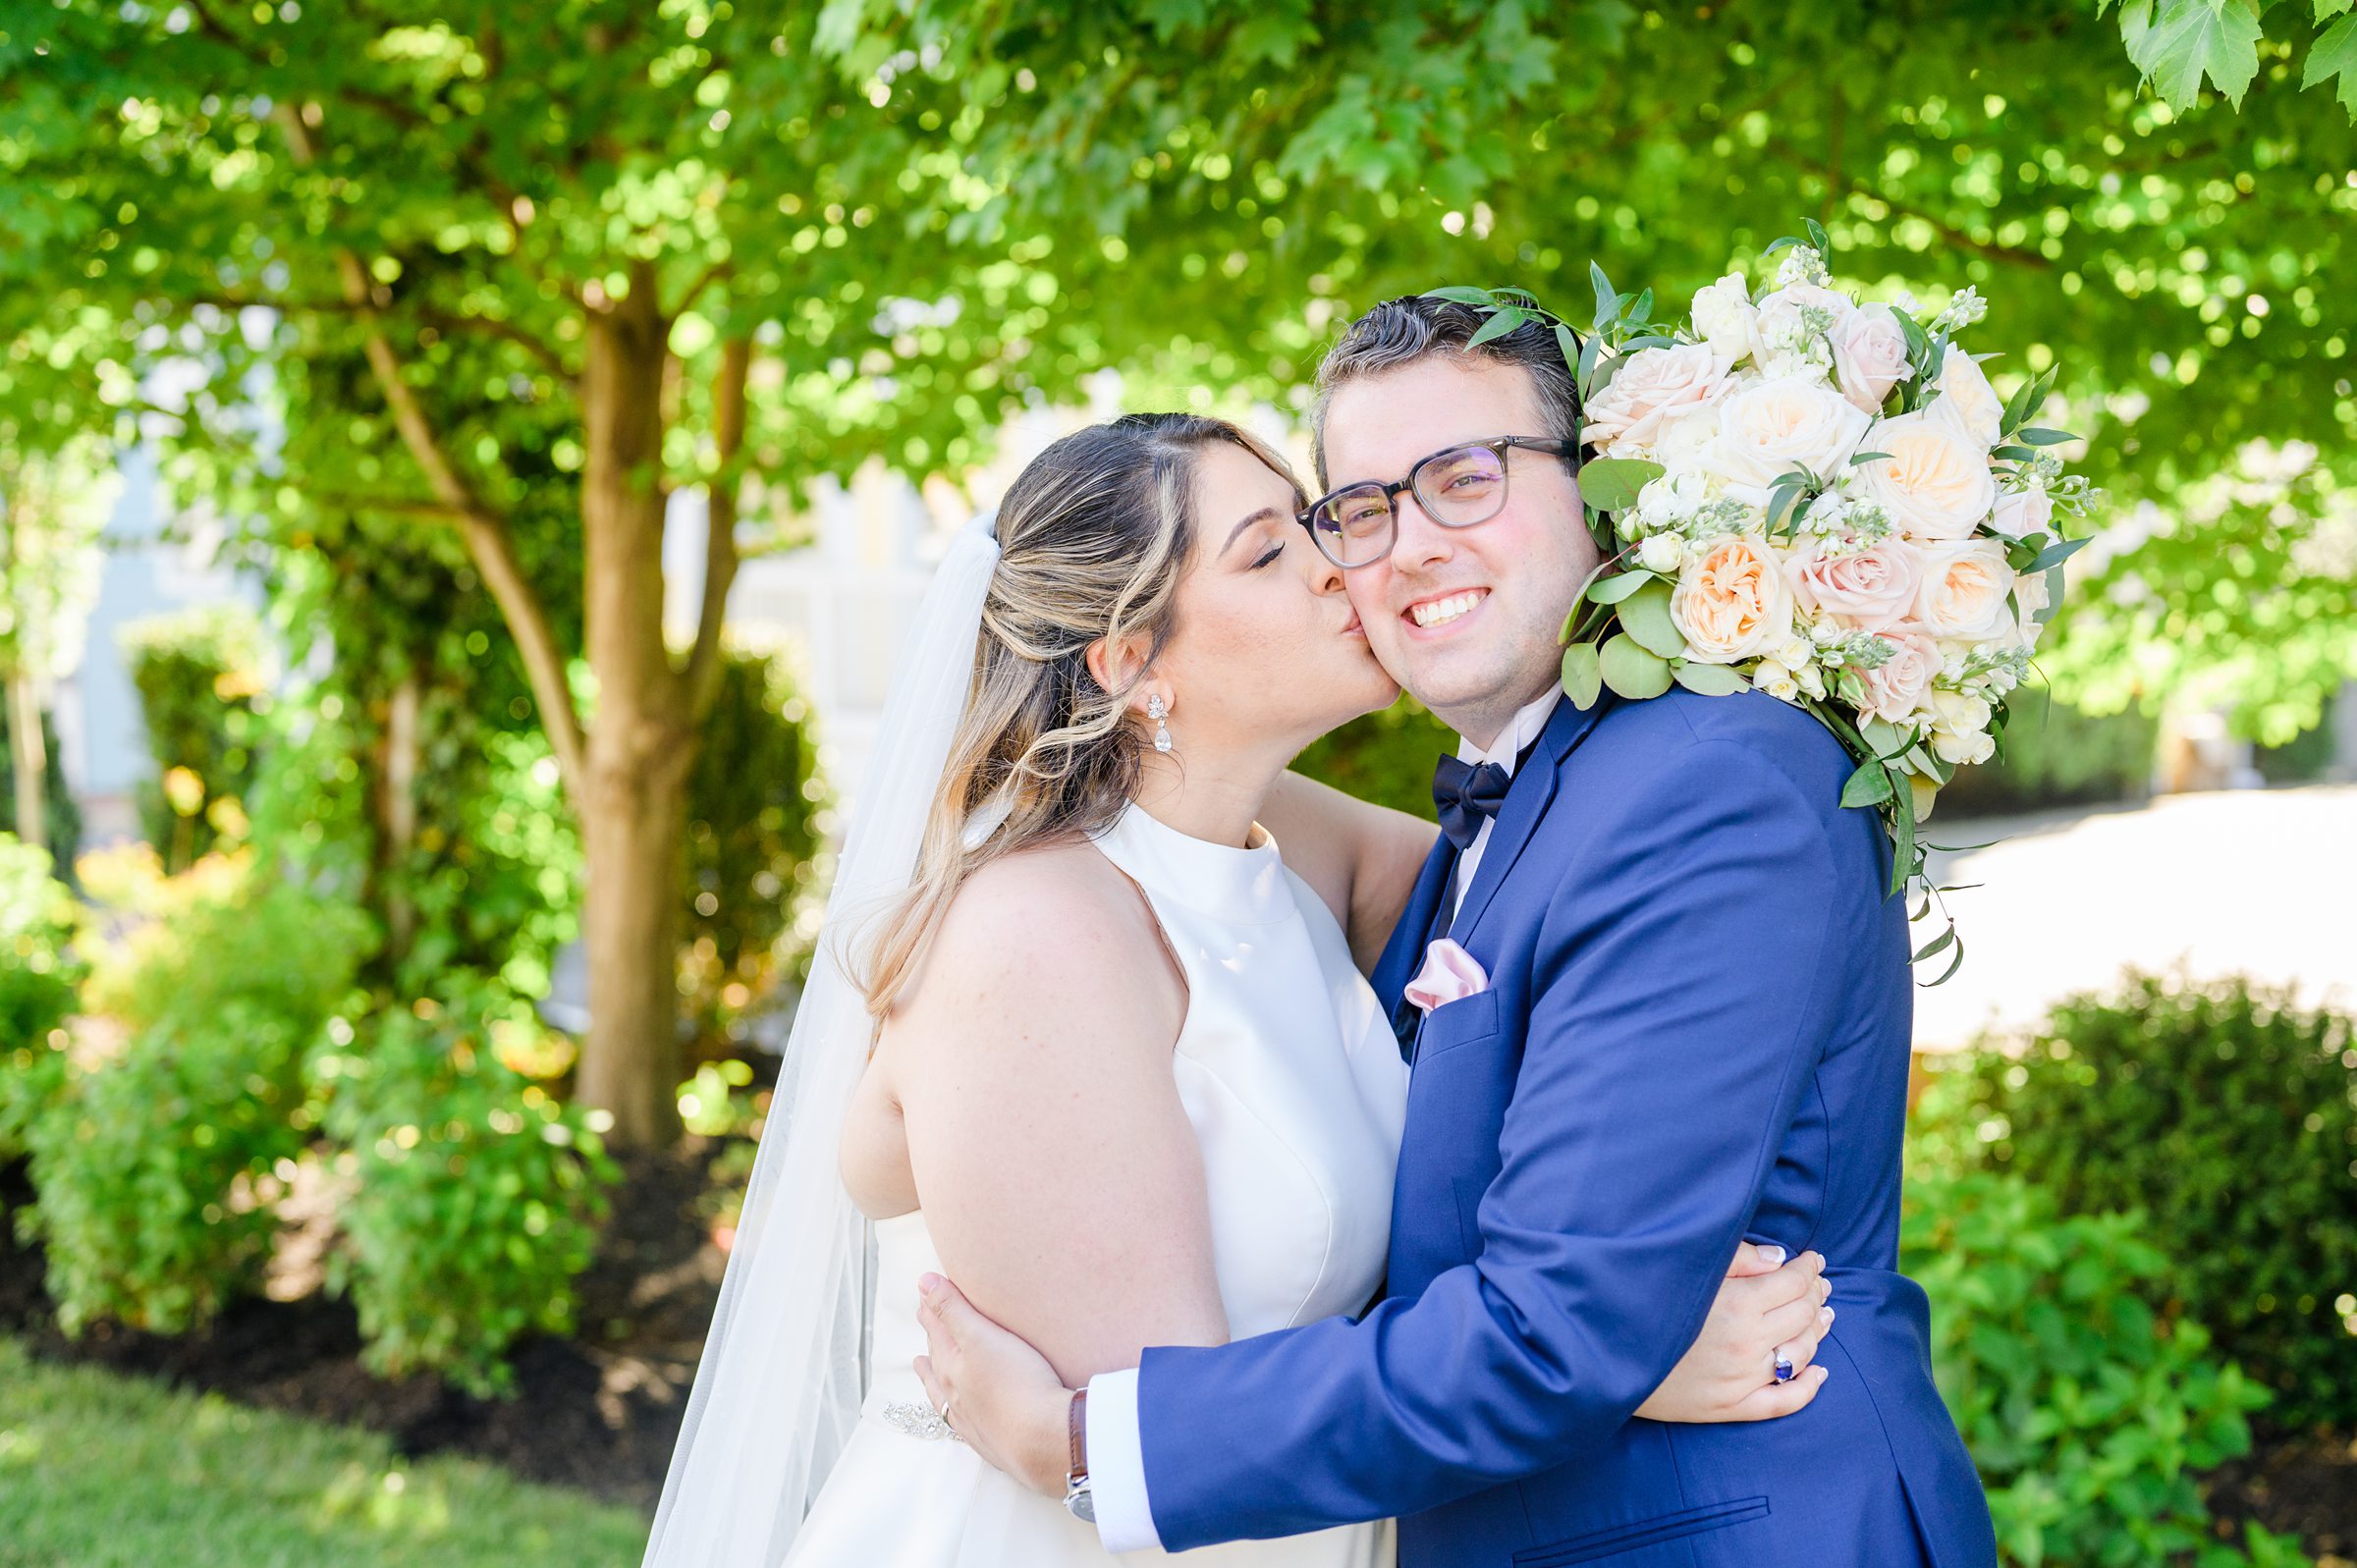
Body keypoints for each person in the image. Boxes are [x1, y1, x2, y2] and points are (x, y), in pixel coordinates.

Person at [640, 410, 1836, 1568]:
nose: (1342, 569)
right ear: (1130, 662)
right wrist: (1595, 1362)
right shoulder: (1036, 935)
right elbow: (1178, 1451)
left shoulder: (1275, 845)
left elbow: (1559, 904)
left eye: (1315, 526)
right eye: (1270, 552)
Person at [909, 301, 2001, 1567]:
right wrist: (1630, 1351)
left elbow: (1555, 1326)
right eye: (1361, 509)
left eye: (1465, 480)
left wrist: (1089, 1442)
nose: (1406, 547)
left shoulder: (1711, 783)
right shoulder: (1507, 801)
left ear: (1601, 489)